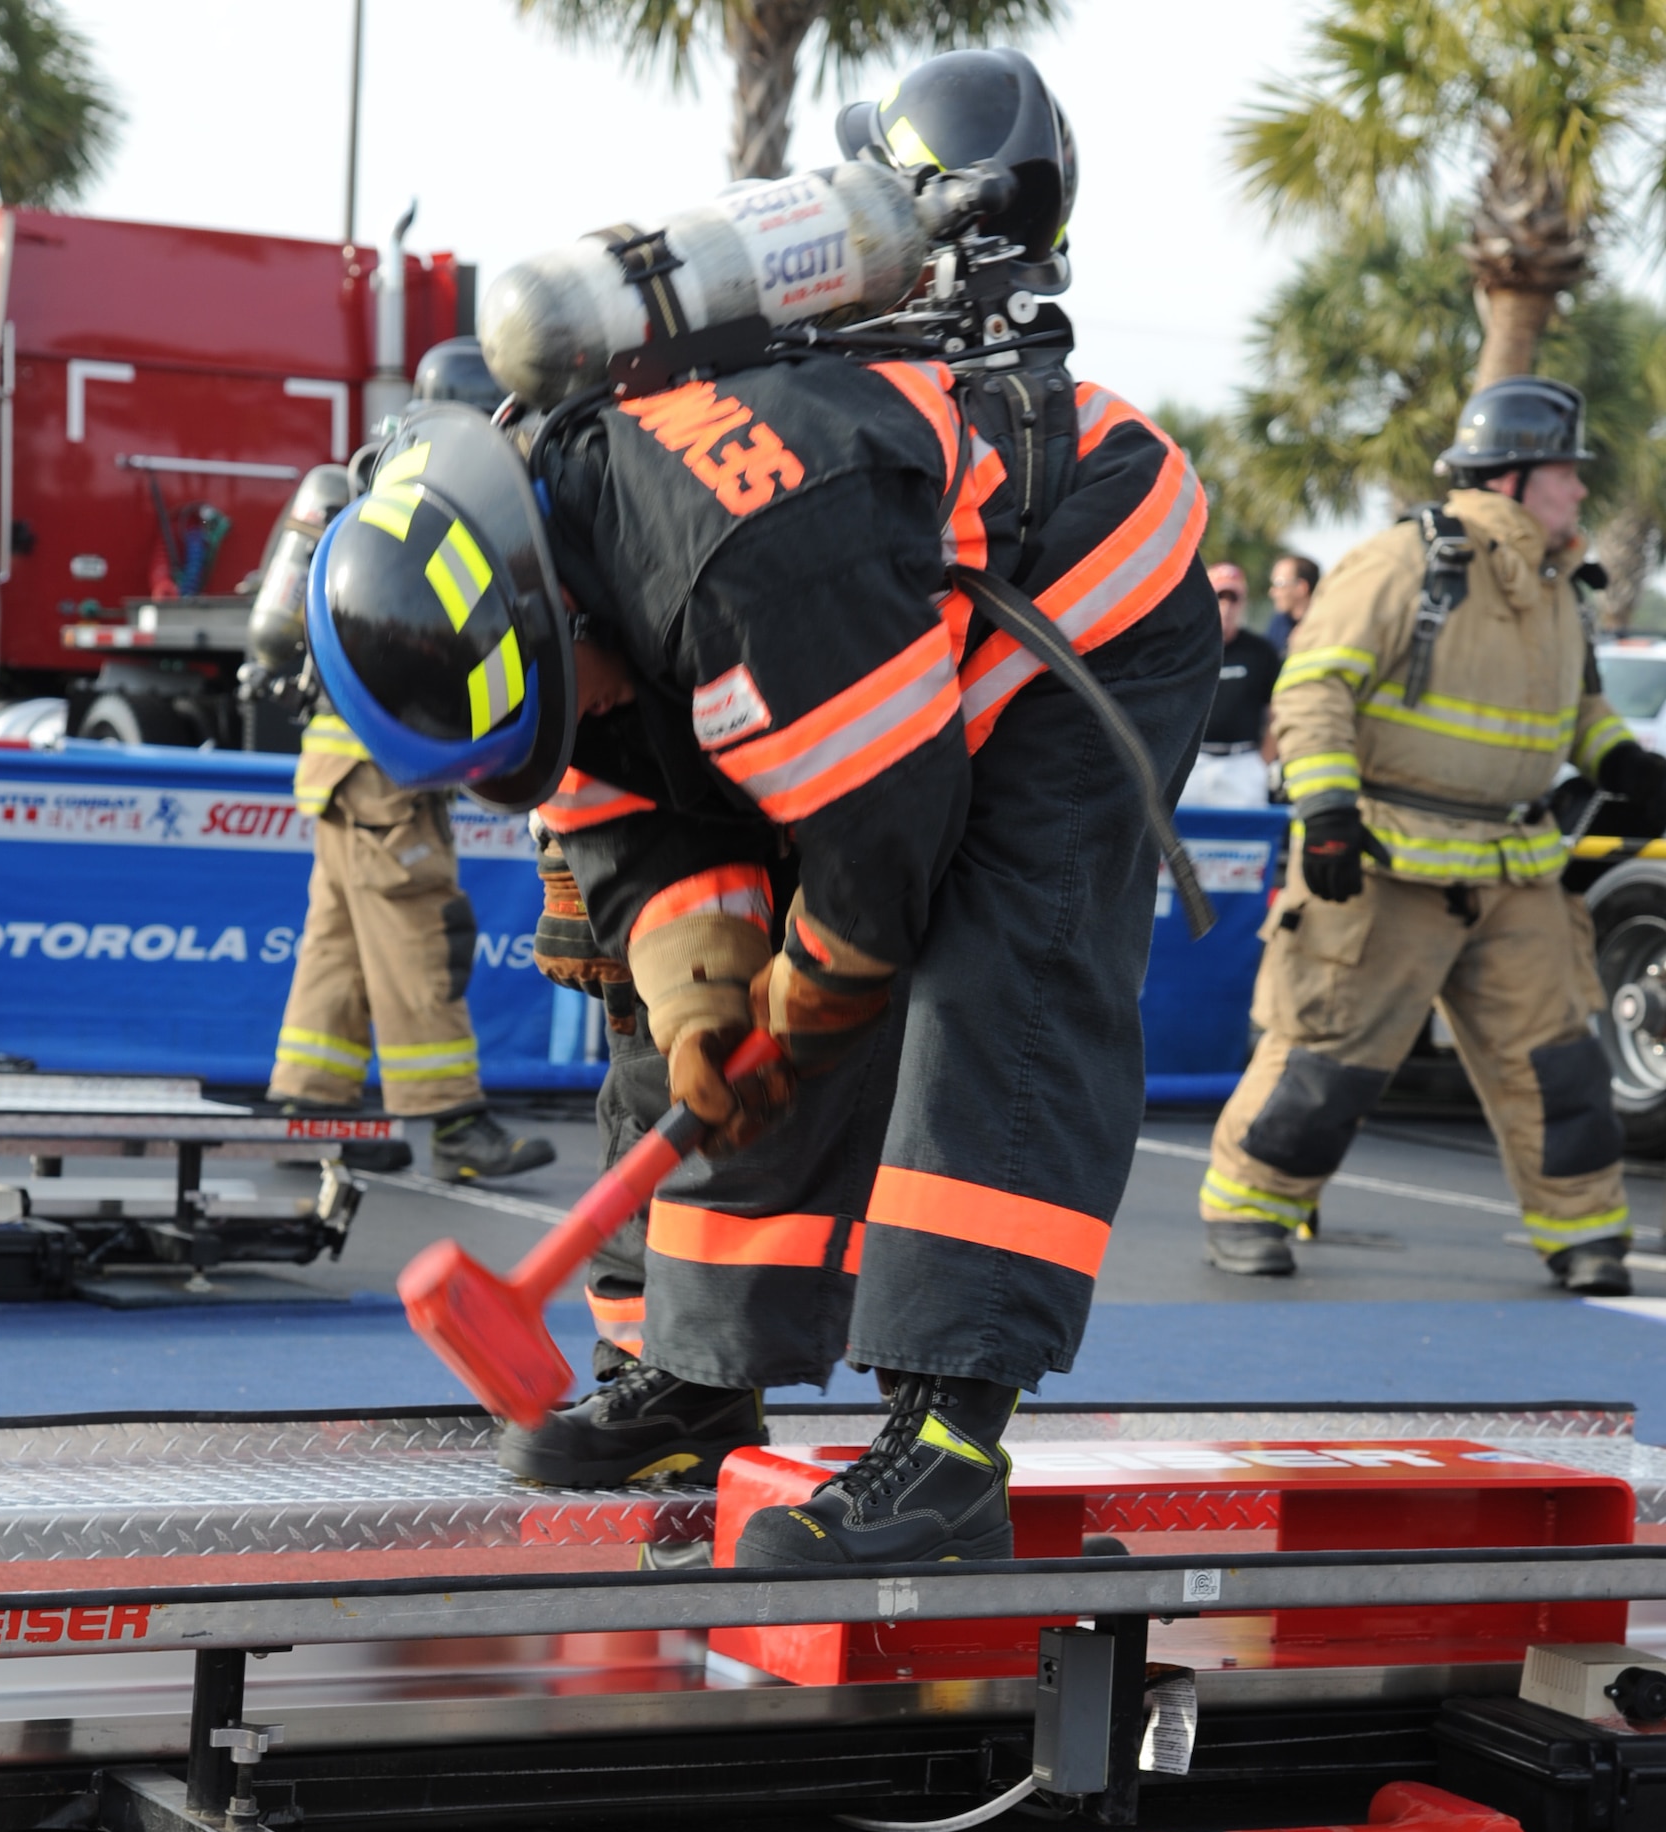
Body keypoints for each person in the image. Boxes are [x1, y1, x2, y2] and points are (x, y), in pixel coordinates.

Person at [307, 48, 1219, 1566]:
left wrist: (800, 996)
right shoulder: (563, 576)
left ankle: (945, 1439)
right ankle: (689, 1374)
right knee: (670, 1001)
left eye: (569, 693)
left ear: (545, 611)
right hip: (858, 649)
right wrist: (703, 1003)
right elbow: (636, 830)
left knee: (996, 973)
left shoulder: (736, 555)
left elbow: (884, 854)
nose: (583, 718)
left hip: (1076, 607)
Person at [1200, 376, 1666, 1295]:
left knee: (1560, 1064)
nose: (1580, 490)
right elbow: (1313, 687)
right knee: (1327, 1058)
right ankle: (1249, 1211)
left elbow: (1580, 709)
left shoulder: (1559, 584)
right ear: (1518, 475)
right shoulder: (1402, 565)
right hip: (1387, 862)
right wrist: (1327, 813)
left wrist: (1622, 765)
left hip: (1517, 870)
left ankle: (1586, 1238)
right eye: (1568, 473)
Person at [264, 342, 556, 1184]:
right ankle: (457, 1126)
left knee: (342, 935)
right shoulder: (446, 498)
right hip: (384, 763)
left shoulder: (380, 484)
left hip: (336, 762)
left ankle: (311, 1106)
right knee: (418, 924)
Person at [1179, 561, 1280, 809]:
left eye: (1233, 598)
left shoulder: (1261, 651)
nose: (1226, 606)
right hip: (1191, 763)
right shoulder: (1185, 649)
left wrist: (1262, 763)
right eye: (1219, 596)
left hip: (1242, 765)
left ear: (1243, 603)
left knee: (1244, 845)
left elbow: (1278, 711)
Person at [1266, 552, 1318, 652]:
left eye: (1278, 584)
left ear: (1301, 587)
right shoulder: (1278, 624)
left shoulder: (1326, 627)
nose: (1272, 592)